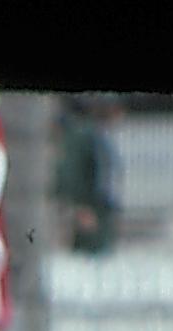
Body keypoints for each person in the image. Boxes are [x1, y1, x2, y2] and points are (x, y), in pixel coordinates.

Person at [54, 94, 125, 255]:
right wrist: (81, 207)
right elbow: (75, 172)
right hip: (93, 209)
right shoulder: (86, 136)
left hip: (99, 209)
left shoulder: (97, 135)